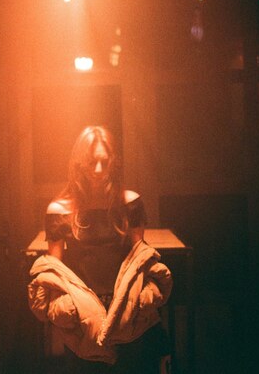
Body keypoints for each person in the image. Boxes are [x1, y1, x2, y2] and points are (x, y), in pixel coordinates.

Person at [27, 126, 172, 374]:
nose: (97, 169)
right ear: (79, 164)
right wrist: (65, 311)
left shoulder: (130, 203)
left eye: (104, 162)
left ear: (113, 162)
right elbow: (54, 272)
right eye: (91, 162)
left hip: (127, 313)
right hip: (84, 318)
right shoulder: (60, 209)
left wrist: (143, 300)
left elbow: (141, 260)